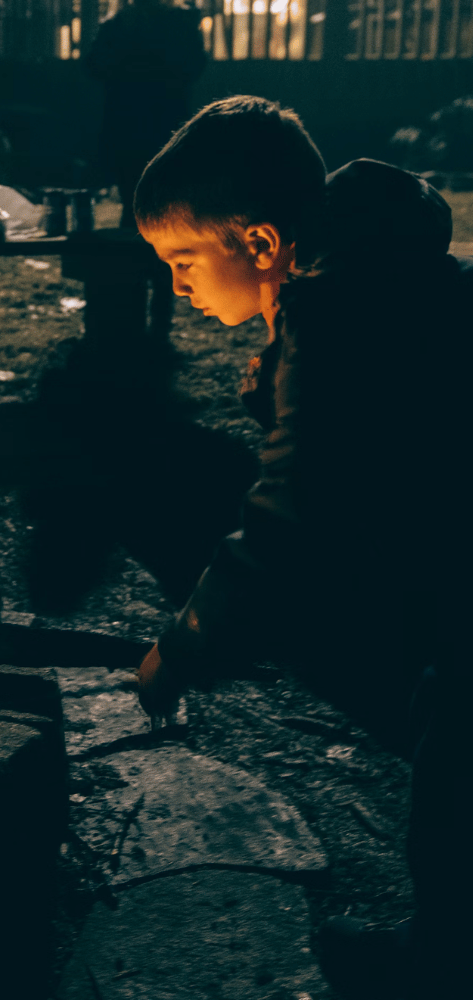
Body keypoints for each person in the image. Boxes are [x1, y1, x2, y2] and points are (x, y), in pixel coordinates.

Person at [131, 95, 471, 998]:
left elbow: (294, 516)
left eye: (182, 258)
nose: (177, 286)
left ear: (257, 241)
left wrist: (185, 647)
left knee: (456, 774)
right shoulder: (376, 281)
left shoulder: (337, 314)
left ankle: (442, 965)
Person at [85, 0, 207, 340]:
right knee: (168, 216)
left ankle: (133, 307)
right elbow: (195, 66)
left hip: (128, 132)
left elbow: (93, 66)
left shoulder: (120, 24)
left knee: (134, 215)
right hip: (167, 131)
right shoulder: (180, 22)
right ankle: (161, 315)